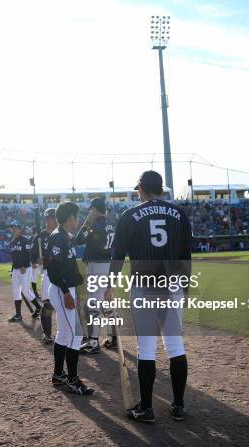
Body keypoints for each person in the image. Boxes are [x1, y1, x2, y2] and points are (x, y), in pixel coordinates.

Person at [105, 170, 192, 423]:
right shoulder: (179, 214)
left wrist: (109, 285)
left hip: (144, 286)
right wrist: (185, 285)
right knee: (175, 346)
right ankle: (178, 405)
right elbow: (186, 254)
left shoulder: (130, 215)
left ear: (141, 188)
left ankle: (146, 407)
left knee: (147, 349)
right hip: (172, 284)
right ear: (162, 189)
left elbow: (118, 255)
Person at [47, 202, 94, 396]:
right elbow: (53, 269)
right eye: (76, 216)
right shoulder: (58, 237)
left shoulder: (64, 236)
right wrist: (66, 292)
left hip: (65, 288)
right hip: (61, 289)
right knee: (75, 334)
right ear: (70, 217)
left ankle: (59, 375)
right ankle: (73, 380)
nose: (78, 219)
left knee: (65, 334)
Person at [74, 197, 115, 354]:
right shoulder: (109, 224)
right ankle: (114, 337)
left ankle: (93, 343)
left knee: (92, 305)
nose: (89, 212)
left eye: (91, 209)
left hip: (96, 266)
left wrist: (87, 222)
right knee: (105, 304)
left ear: (95, 209)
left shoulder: (95, 225)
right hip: (107, 265)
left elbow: (78, 240)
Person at [32, 208, 58, 344]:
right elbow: (33, 253)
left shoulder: (61, 233)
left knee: (66, 304)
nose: (48, 220)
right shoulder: (41, 236)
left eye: (51, 217)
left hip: (61, 273)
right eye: (46, 218)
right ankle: (47, 334)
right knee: (47, 304)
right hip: (48, 273)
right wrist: (37, 260)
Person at [8, 220, 42, 322]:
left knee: (26, 291)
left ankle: (39, 307)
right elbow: (14, 257)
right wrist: (12, 270)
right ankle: (18, 315)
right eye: (12, 228)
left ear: (20, 229)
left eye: (15, 228)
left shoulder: (25, 240)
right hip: (15, 270)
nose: (13, 229)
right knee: (16, 292)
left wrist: (24, 265)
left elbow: (29, 254)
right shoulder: (12, 241)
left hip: (25, 269)